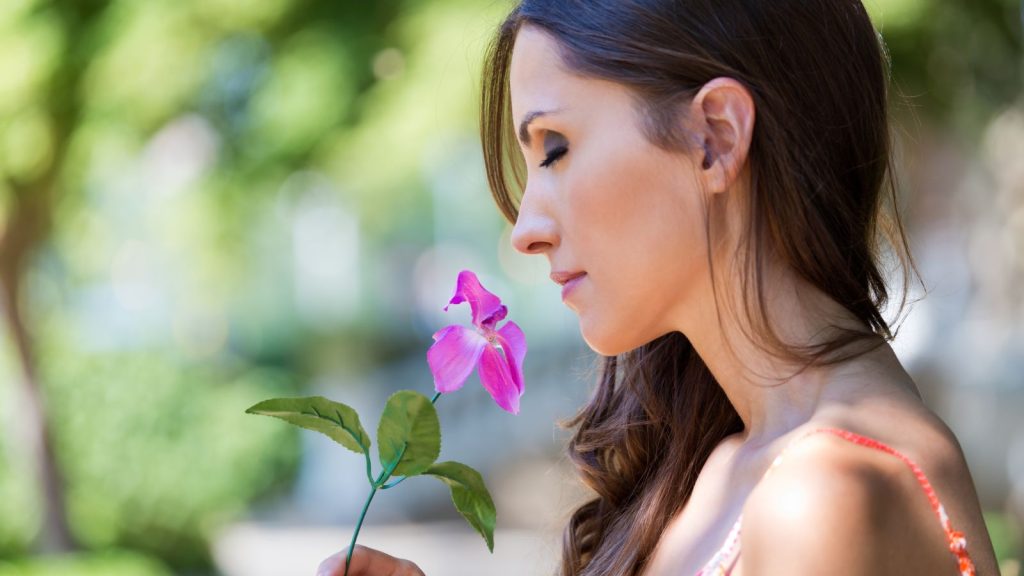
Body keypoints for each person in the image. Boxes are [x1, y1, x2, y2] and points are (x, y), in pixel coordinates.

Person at [319, 1, 1001, 574]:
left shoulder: (827, 490)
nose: (524, 230)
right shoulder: (731, 460)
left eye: (554, 148)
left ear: (715, 138)